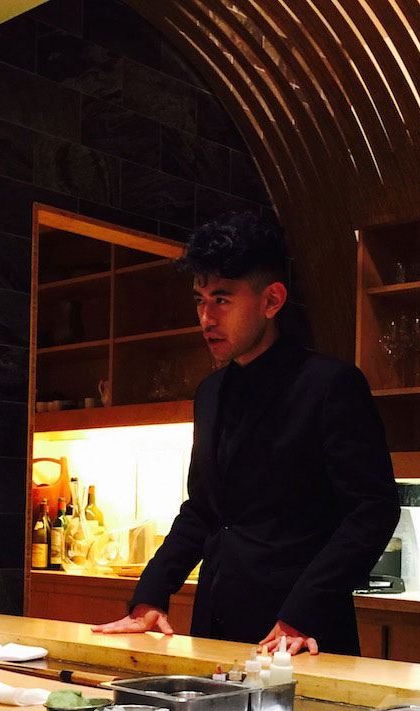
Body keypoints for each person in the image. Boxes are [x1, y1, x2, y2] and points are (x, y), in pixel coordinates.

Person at [93, 211, 399, 655]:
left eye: (222, 299)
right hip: (214, 628)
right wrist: (150, 597)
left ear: (272, 300)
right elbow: (202, 510)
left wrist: (300, 615)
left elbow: (373, 511)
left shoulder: (330, 384)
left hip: (301, 634)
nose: (206, 317)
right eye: (200, 300)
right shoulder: (210, 393)